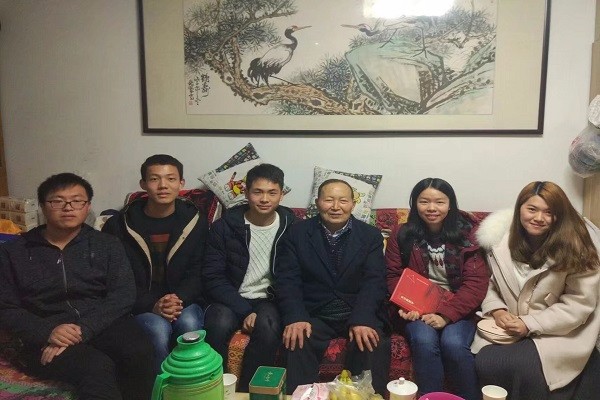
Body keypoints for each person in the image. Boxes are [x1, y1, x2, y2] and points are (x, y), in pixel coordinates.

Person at [0, 173, 155, 400]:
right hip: (42, 333)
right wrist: (48, 332)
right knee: (95, 367)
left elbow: (123, 295)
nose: (68, 207)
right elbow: (6, 307)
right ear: (43, 206)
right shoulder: (14, 252)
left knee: (139, 351)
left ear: (87, 206)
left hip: (100, 323)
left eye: (77, 201)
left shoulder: (106, 244)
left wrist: (82, 330)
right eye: (57, 201)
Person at [473, 181, 600, 400]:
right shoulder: (501, 242)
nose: (539, 218)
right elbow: (491, 285)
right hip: (510, 326)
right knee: (486, 360)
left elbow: (578, 306)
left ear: (560, 215)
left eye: (549, 212)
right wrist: (497, 310)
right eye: (532, 209)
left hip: (561, 331)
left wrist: (529, 323)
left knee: (522, 366)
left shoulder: (579, 248)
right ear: (519, 209)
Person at [276, 179, 390, 395]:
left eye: (343, 201)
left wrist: (363, 318)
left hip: (356, 309)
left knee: (371, 341)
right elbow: (288, 279)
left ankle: (367, 397)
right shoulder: (297, 233)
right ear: (317, 202)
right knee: (298, 339)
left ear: (353, 204)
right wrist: (296, 316)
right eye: (329, 200)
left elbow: (374, 281)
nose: (336, 207)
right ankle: (302, 397)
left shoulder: (370, 236)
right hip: (315, 312)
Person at [102, 154, 208, 373]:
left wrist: (177, 299)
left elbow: (200, 270)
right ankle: (161, 386)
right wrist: (152, 304)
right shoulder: (120, 226)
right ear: (143, 184)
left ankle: (190, 384)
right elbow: (117, 278)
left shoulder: (195, 221)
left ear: (181, 183)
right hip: (141, 303)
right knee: (158, 330)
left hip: (183, 300)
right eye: (154, 179)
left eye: (170, 179)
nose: (163, 185)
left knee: (189, 325)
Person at [385, 178, 488, 400]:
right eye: (424, 201)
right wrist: (405, 305)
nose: (432, 208)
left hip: (458, 308)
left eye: (439, 202)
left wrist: (445, 315)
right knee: (423, 339)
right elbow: (392, 275)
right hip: (417, 309)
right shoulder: (402, 234)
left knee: (453, 343)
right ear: (415, 204)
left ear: (450, 204)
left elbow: (475, 284)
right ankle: (431, 397)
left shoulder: (470, 235)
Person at [203, 163, 295, 391]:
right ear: (246, 193)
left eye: (272, 193)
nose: (264, 199)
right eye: (258, 192)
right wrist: (245, 310)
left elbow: (295, 274)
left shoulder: (291, 226)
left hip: (268, 299)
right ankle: (217, 388)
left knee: (268, 327)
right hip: (230, 296)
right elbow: (213, 276)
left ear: (281, 195)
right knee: (217, 324)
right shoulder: (224, 227)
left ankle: (249, 391)